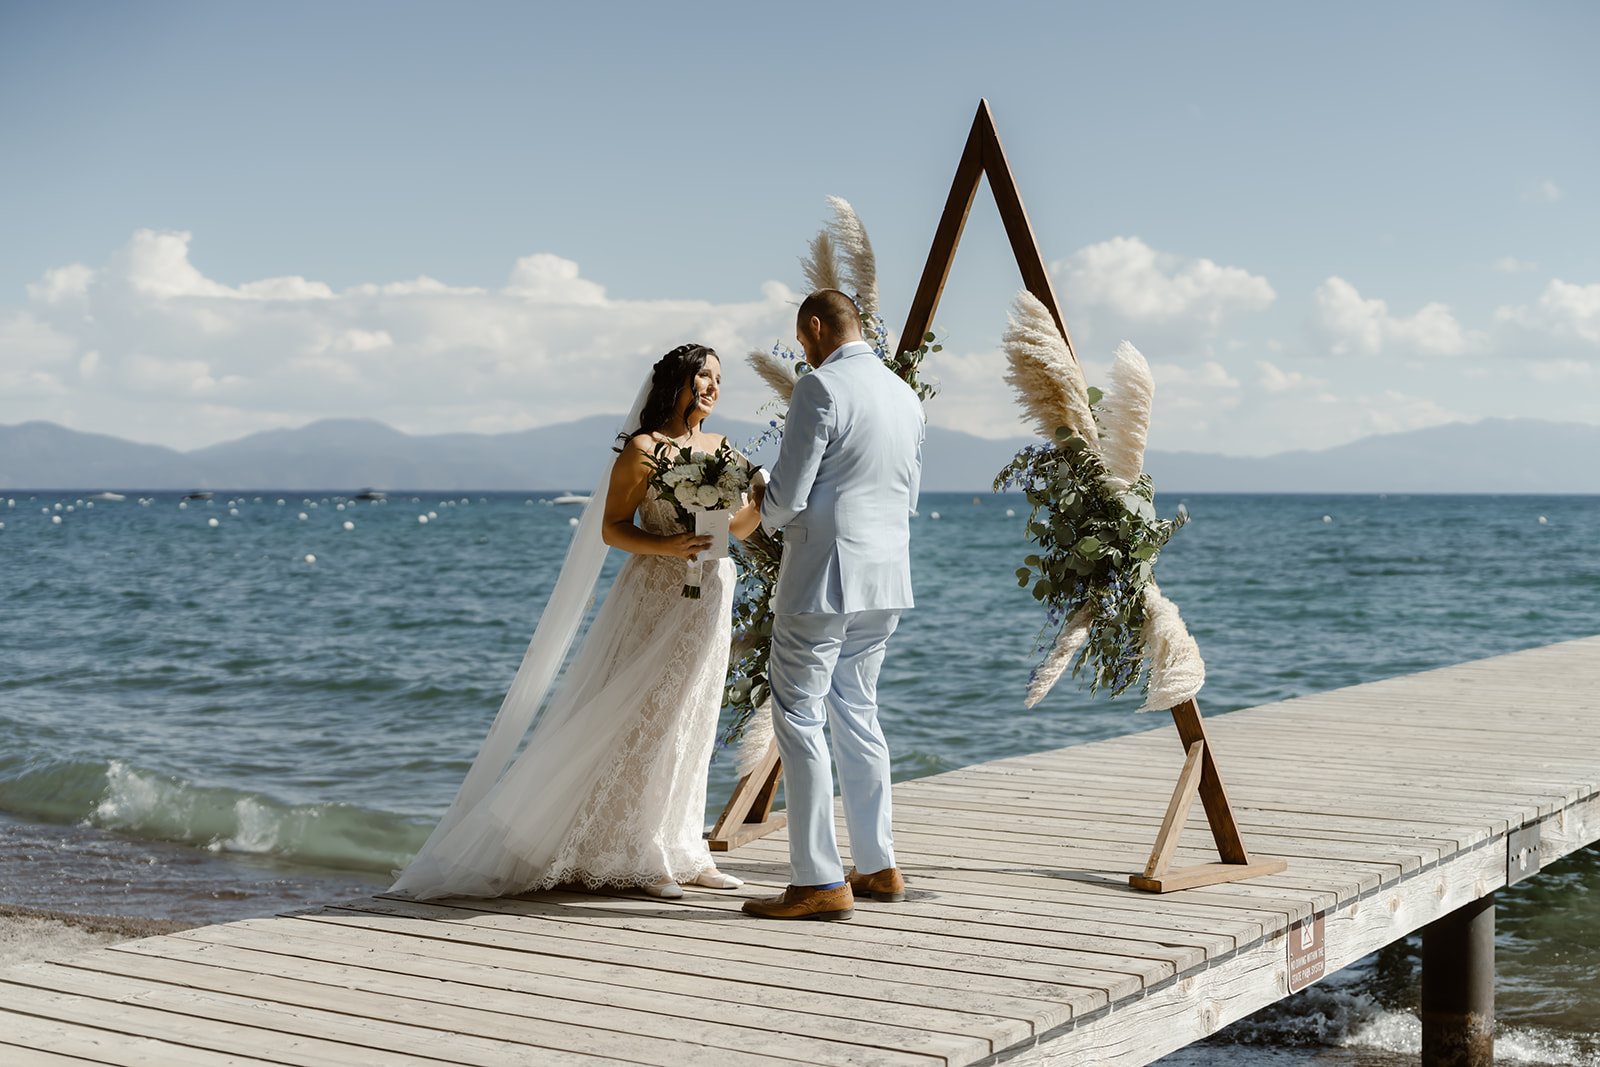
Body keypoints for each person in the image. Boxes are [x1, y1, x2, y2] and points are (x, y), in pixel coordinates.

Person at [390, 343, 763, 901]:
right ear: (674, 386)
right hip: (657, 595)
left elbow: (735, 530)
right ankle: (634, 854)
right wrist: (668, 545)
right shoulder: (642, 449)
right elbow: (613, 529)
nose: (711, 387)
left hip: (711, 595)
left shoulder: (721, 448)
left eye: (717, 379)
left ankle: (685, 847)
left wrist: (760, 500)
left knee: (693, 719)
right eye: (701, 378)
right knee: (644, 719)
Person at [742, 289, 925, 921]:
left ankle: (818, 878)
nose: (801, 351)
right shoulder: (905, 396)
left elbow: (789, 497)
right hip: (885, 577)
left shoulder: (819, 388)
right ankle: (878, 865)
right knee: (859, 712)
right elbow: (906, 493)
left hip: (825, 574)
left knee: (798, 715)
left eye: (802, 338)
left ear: (817, 327)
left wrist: (759, 496)